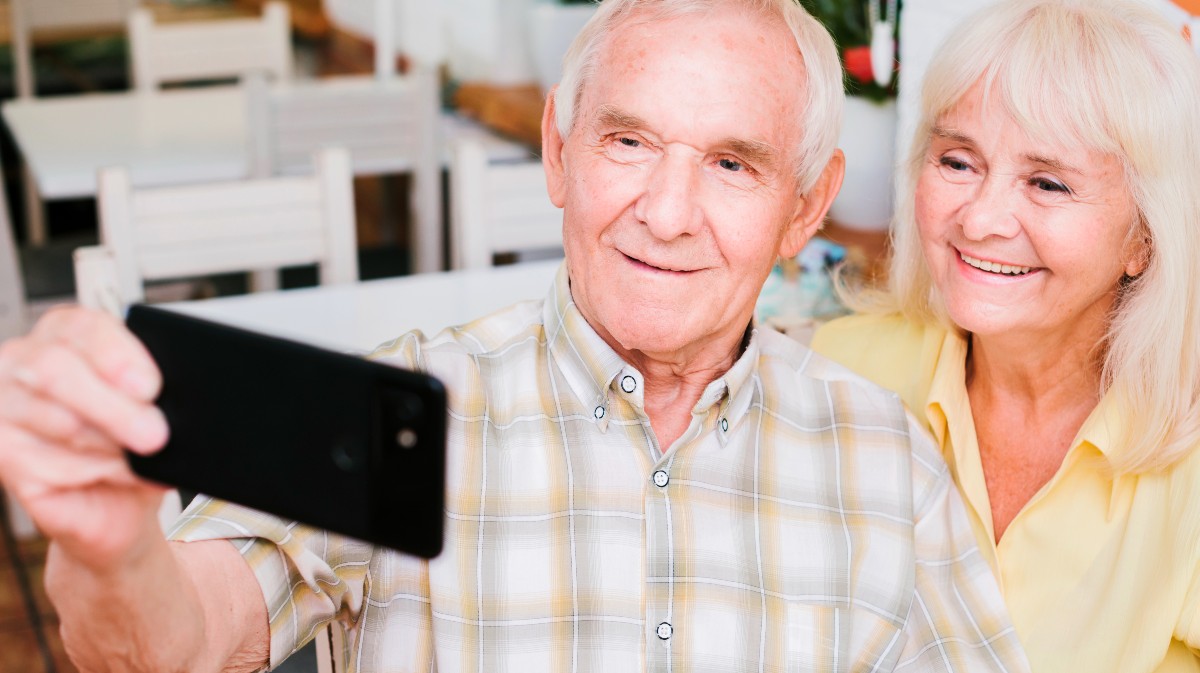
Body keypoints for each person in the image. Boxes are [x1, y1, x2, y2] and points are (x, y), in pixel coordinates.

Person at [0, 1, 1029, 671]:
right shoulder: (392, 407)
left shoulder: (885, 458)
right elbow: (179, 641)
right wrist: (111, 548)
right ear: (558, 151)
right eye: (629, 141)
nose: (668, 213)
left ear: (805, 207)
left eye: (731, 164)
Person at [811, 0, 1200, 671]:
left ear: (1144, 237)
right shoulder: (835, 372)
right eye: (958, 162)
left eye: (1047, 183)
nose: (981, 219)